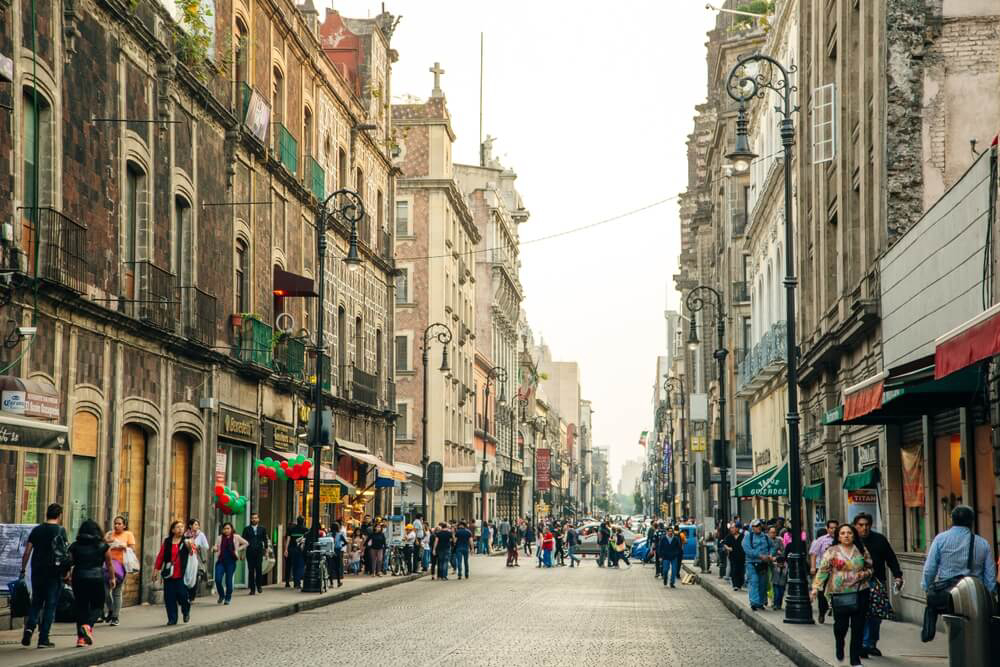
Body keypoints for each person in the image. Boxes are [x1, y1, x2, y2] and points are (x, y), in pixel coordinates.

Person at [812, 523, 873, 667]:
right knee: (841, 627)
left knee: (858, 627)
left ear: (854, 535)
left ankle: (855, 660)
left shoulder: (861, 550)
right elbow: (823, 570)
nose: (846, 536)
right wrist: (815, 588)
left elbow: (871, 568)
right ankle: (840, 644)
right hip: (840, 594)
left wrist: (863, 574)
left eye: (849, 533)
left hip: (860, 591)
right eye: (843, 533)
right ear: (838, 536)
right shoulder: (832, 551)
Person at [852, 512, 902, 657]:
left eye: (867, 525)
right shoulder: (851, 540)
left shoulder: (879, 540)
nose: (864, 528)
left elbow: (891, 558)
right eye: (861, 525)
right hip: (856, 583)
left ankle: (870, 643)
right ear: (856, 526)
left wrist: (898, 576)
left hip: (877, 582)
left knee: (875, 615)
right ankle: (862, 643)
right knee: (861, 613)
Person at [922, 504, 997, 599]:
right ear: (971, 522)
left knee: (931, 608)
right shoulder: (983, 544)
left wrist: (927, 587)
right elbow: (990, 575)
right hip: (975, 596)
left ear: (952, 520)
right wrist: (990, 594)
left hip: (947, 594)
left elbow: (929, 569)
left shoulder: (940, 539)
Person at [19, 503, 68, 648]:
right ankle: (43, 638)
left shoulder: (37, 530)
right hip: (54, 573)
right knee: (50, 605)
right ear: (59, 515)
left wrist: (23, 570)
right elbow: (64, 553)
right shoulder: (60, 530)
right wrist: (67, 572)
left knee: (36, 602)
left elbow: (27, 552)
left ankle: (29, 629)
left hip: (37, 571)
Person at [67, 520, 115, 647]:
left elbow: (69, 562)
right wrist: (112, 578)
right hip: (96, 578)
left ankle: (81, 639)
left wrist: (67, 575)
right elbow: (109, 564)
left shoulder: (75, 546)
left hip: (79, 577)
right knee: (98, 607)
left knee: (81, 607)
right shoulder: (102, 546)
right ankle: (88, 627)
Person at [153, 520, 194, 626]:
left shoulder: (186, 540)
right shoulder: (167, 541)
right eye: (177, 527)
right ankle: (172, 619)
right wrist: (156, 570)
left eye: (182, 527)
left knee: (182, 595)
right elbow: (161, 556)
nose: (180, 529)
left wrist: (189, 546)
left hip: (181, 574)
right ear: (173, 530)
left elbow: (191, 553)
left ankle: (186, 612)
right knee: (169, 597)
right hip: (169, 574)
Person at [102, 515, 135, 626]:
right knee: (105, 591)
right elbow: (102, 546)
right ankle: (111, 609)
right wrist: (107, 541)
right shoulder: (109, 534)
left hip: (120, 565)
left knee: (117, 592)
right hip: (107, 565)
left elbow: (132, 549)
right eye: (115, 523)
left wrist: (122, 545)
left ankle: (115, 616)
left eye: (119, 523)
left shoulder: (128, 534)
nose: (116, 525)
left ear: (124, 525)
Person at [810, 519, 839, 623]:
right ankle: (822, 612)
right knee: (822, 593)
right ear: (827, 529)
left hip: (838, 571)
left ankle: (837, 613)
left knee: (837, 592)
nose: (833, 530)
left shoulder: (842, 539)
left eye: (835, 528)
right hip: (825, 570)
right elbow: (813, 553)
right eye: (831, 528)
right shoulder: (821, 540)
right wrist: (813, 567)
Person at [213, 522, 248, 605]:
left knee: (229, 581)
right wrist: (214, 548)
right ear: (222, 530)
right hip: (221, 561)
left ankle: (228, 598)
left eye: (228, 528)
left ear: (231, 529)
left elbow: (246, 543)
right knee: (218, 580)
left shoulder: (236, 537)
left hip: (231, 562)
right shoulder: (219, 538)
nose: (226, 530)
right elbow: (216, 547)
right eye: (225, 529)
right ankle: (221, 595)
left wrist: (237, 549)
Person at [743, 519, 772, 611]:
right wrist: (759, 555)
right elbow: (747, 550)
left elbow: (772, 546)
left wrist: (770, 555)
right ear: (752, 527)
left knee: (762, 583)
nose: (758, 527)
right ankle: (754, 602)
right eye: (756, 526)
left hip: (763, 564)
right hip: (752, 563)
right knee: (754, 581)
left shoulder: (766, 537)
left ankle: (761, 602)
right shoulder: (748, 537)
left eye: (759, 525)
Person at [184, 519, 210, 600]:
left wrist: (198, 546)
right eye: (195, 524)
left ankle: (191, 596)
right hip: (187, 558)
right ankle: (186, 594)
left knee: (195, 576)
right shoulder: (185, 534)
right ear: (190, 525)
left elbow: (207, 546)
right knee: (186, 576)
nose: (197, 526)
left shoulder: (201, 535)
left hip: (197, 558)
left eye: (198, 525)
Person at [241, 513, 267, 595]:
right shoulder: (246, 529)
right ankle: (252, 588)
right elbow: (243, 541)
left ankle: (259, 585)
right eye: (253, 518)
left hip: (259, 551)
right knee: (251, 570)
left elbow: (265, 540)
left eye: (256, 518)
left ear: (258, 519)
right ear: (250, 519)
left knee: (259, 569)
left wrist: (266, 551)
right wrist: (242, 553)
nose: (254, 519)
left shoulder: (262, 529)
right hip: (250, 551)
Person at [285, 516, 307, 588]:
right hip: (301, 550)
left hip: (292, 549)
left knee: (294, 566)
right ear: (303, 521)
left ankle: (295, 582)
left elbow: (288, 540)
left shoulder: (291, 529)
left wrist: (286, 549)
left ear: (297, 521)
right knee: (300, 566)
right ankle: (297, 582)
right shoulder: (305, 530)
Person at [769, 528, 788, 611]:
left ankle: (778, 603)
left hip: (779, 564)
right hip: (769, 563)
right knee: (775, 585)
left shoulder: (779, 540)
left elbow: (783, 551)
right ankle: (775, 603)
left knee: (780, 585)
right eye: (771, 532)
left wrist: (776, 557)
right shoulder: (766, 540)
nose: (773, 534)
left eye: (774, 532)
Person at [723, 523, 746, 591]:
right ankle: (735, 585)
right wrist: (728, 548)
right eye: (731, 528)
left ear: (737, 529)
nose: (731, 529)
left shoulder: (742, 536)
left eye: (733, 528)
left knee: (741, 571)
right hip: (733, 556)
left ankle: (740, 584)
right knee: (734, 570)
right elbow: (724, 544)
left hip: (742, 557)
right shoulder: (729, 537)